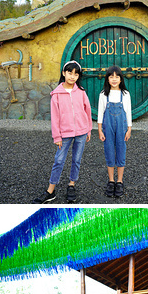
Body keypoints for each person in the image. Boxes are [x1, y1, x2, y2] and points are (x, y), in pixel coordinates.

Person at [34, 61, 92, 203]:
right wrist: (57, 136)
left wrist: (88, 129)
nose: (72, 76)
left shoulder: (81, 92)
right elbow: (55, 117)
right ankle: (50, 190)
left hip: (81, 132)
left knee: (76, 160)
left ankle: (71, 185)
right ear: (64, 73)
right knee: (59, 160)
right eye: (70, 73)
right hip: (64, 134)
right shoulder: (56, 95)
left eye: (76, 74)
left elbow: (87, 110)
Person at [97, 65, 133, 198]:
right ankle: (111, 180)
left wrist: (129, 129)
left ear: (121, 79)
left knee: (121, 151)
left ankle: (120, 181)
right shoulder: (103, 94)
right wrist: (100, 130)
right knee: (109, 151)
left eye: (117, 77)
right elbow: (100, 113)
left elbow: (128, 112)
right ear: (107, 79)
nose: (114, 79)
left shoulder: (125, 94)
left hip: (122, 126)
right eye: (111, 76)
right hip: (108, 126)